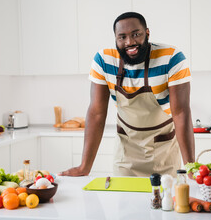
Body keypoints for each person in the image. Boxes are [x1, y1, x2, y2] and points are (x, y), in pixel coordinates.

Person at [58, 12, 195, 177]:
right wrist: (84, 167)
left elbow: (181, 112)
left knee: (165, 201)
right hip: (126, 154)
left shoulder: (171, 58)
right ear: (115, 39)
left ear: (147, 33)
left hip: (163, 152)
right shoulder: (104, 60)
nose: (129, 42)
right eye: (122, 37)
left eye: (136, 34)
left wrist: (191, 168)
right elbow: (96, 113)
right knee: (124, 201)